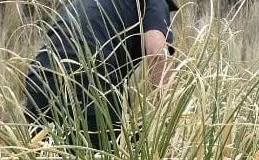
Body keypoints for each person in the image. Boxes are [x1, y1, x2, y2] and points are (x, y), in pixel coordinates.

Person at [24, 0, 179, 150]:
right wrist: (172, 119)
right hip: (88, 82)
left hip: (39, 80)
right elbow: (157, 53)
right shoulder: (154, 2)